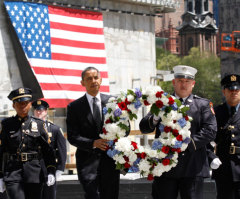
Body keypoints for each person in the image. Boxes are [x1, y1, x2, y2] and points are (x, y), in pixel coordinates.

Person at [140, 65, 217, 199]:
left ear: (193, 84)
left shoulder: (202, 105)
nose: (183, 85)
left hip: (192, 167)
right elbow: (144, 127)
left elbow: (210, 130)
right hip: (166, 168)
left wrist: (188, 144)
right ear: (174, 82)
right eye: (180, 81)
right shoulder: (162, 103)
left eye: (187, 82)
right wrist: (156, 117)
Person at [66, 66, 128, 199]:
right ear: (82, 83)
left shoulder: (114, 102)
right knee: (93, 195)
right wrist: (93, 143)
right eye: (89, 78)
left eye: (96, 77)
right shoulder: (74, 107)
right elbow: (72, 137)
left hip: (111, 162)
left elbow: (126, 130)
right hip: (87, 163)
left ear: (101, 80)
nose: (93, 81)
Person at [0, 87, 56, 199]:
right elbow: (1, 150)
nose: (23, 106)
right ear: (13, 105)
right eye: (19, 103)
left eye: (25, 103)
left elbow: (48, 150)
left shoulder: (39, 125)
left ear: (30, 104)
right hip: (13, 172)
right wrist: (0, 176)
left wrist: (51, 170)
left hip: (34, 173)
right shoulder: (6, 125)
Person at [208, 74, 240, 199]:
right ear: (224, 91)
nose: (234, 93)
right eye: (230, 90)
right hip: (223, 167)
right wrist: (211, 157)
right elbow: (207, 139)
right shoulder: (215, 113)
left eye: (237, 90)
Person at [32, 99, 67, 199]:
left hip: (49, 168)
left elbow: (62, 150)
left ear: (46, 111)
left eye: (42, 110)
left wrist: (60, 169)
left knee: (48, 195)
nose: (39, 112)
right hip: (32, 168)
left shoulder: (54, 129)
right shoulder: (27, 128)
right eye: (37, 110)